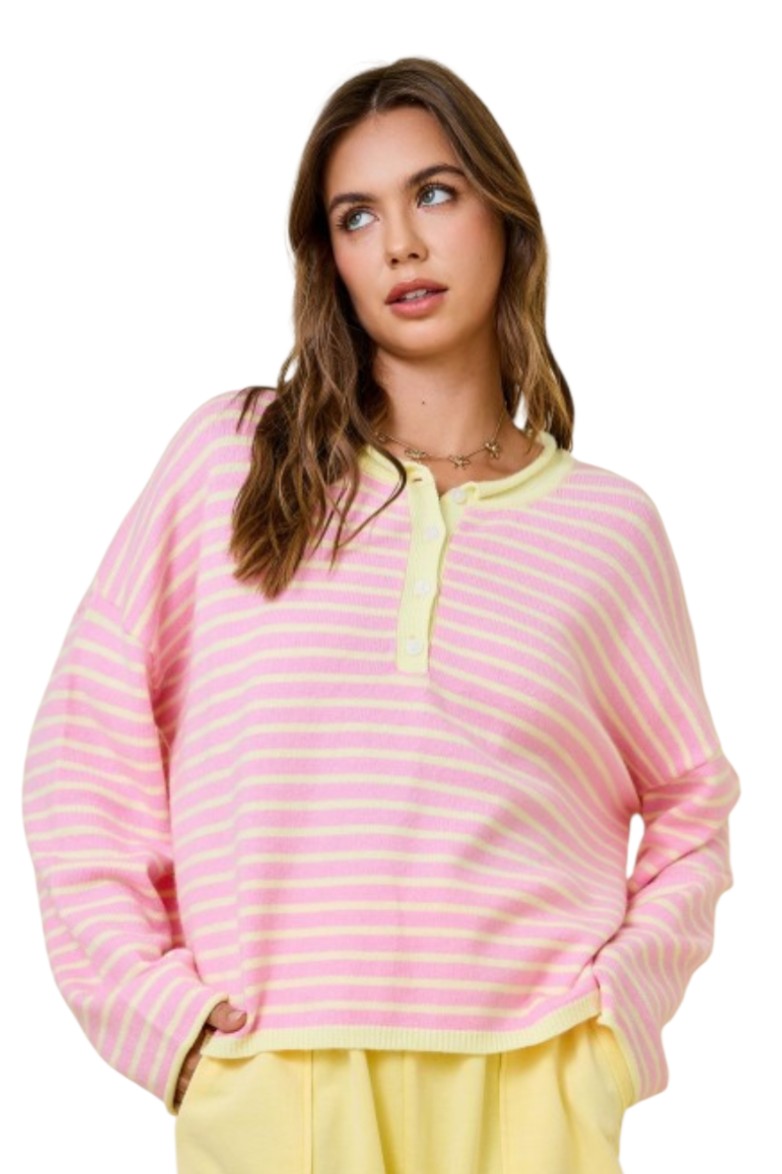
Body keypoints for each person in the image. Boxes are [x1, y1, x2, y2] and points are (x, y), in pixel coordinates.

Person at [21, 56, 740, 1174]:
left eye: (434, 194)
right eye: (357, 216)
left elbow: (692, 799)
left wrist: (614, 1018)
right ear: (332, 260)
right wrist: (162, 1020)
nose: (400, 243)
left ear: (505, 215)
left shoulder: (607, 529)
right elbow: (84, 747)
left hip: (534, 1077)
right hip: (277, 1078)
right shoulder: (233, 460)